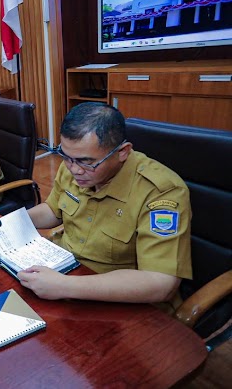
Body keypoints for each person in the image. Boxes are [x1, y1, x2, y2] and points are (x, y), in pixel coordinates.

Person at [20, 102, 191, 309]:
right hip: (63, 271)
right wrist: (14, 221)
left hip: (115, 296)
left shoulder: (161, 191)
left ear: (122, 152)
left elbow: (160, 283)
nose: (74, 169)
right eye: (65, 156)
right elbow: (53, 210)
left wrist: (64, 286)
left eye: (86, 161)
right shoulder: (76, 165)